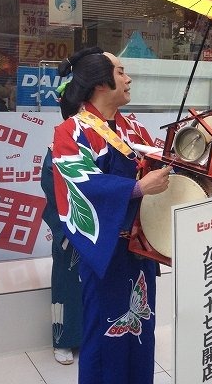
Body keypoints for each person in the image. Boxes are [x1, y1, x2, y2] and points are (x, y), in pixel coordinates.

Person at [50, 47, 172, 383]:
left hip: (139, 250)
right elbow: (80, 184)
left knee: (140, 329)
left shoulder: (132, 126)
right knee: (105, 333)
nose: (128, 77)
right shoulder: (72, 131)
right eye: (120, 71)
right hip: (106, 253)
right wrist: (136, 189)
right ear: (100, 83)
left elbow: (159, 162)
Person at [41, 146, 82, 365]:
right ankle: (63, 340)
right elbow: (51, 188)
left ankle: (90, 337)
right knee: (67, 282)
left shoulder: (101, 139)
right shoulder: (56, 148)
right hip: (70, 225)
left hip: (99, 227)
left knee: (95, 285)